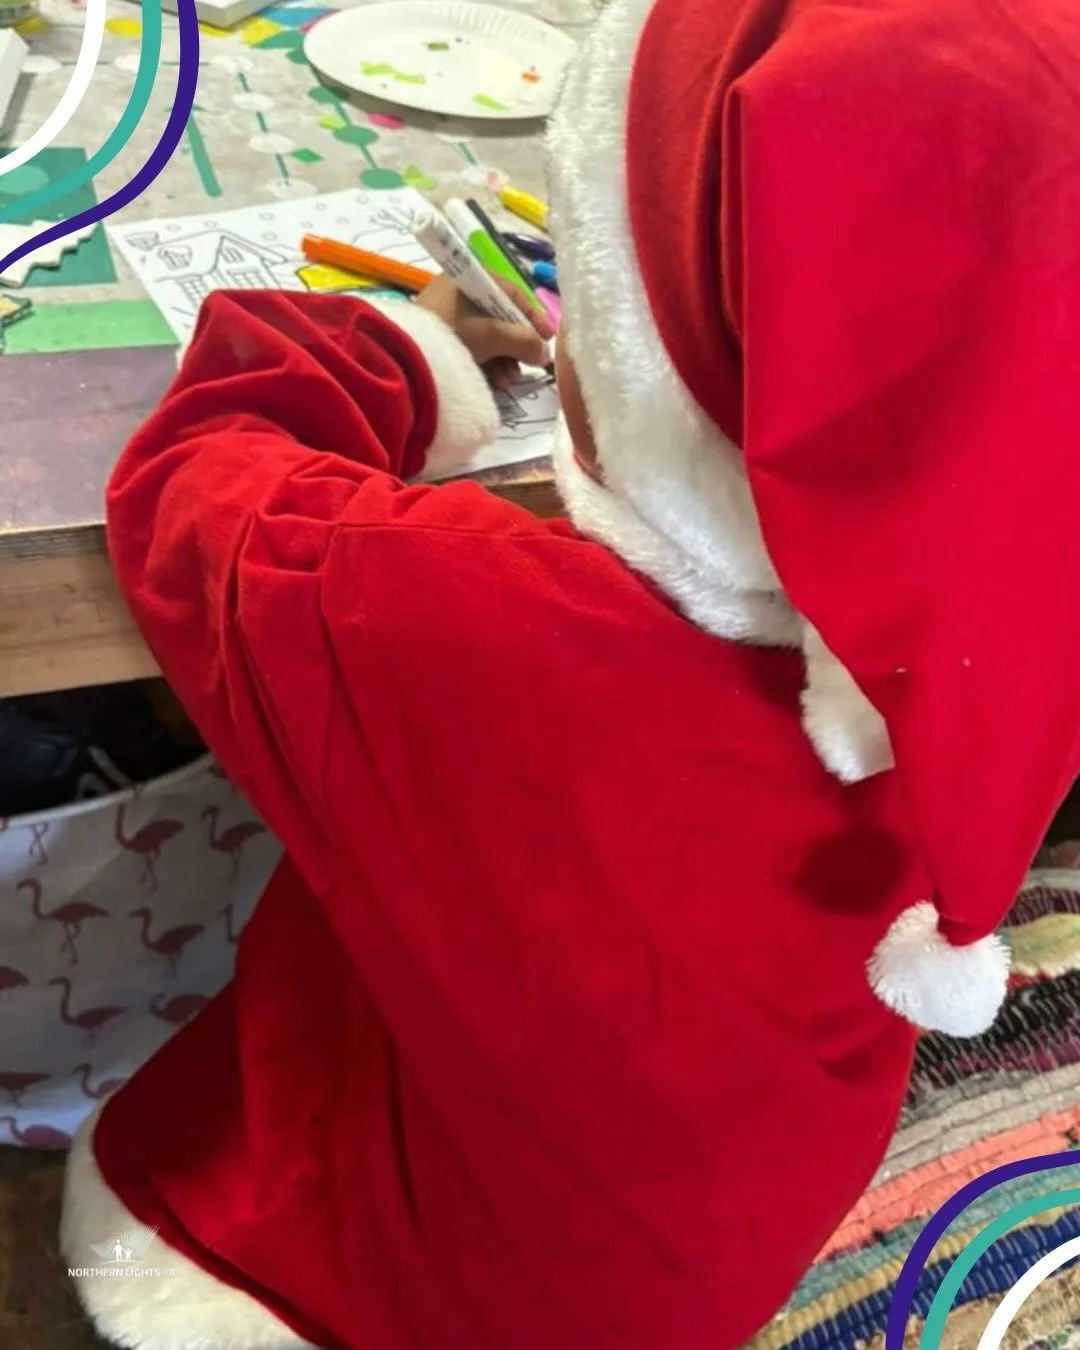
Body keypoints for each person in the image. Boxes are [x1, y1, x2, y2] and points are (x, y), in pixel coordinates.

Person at [61, 0, 1080, 1346]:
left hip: (436, 1289)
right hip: (701, 1269)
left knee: (200, 1157)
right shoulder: (995, 671)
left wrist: (402, 339)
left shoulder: (453, 611)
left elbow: (195, 484)